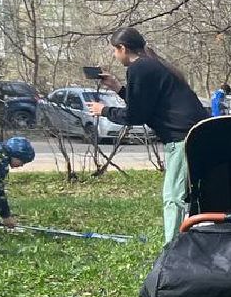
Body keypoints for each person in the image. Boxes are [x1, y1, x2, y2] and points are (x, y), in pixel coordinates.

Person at [87, 28, 209, 243]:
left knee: (174, 197)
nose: (115, 56)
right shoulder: (154, 64)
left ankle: (172, 249)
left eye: (115, 51)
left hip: (183, 138)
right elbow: (147, 104)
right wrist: (118, 88)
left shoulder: (139, 68)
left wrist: (104, 110)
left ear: (122, 48)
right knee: (191, 193)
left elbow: (136, 115)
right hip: (197, 134)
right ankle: (192, 240)